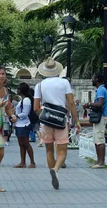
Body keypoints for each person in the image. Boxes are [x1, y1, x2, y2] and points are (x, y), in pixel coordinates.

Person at [34, 57, 80, 190]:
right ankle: (56, 169)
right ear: (57, 70)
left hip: (46, 121)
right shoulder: (64, 83)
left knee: (49, 150)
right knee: (62, 151)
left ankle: (52, 172)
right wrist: (76, 121)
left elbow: (36, 108)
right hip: (61, 120)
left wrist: (43, 116)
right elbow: (71, 103)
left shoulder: (40, 85)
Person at [83, 73, 107, 169]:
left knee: (99, 139)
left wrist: (89, 104)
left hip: (101, 116)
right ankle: (98, 161)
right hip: (99, 117)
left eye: (93, 78)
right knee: (96, 139)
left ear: (97, 79)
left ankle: (101, 162)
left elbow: (100, 103)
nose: (91, 80)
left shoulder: (101, 90)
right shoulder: (100, 89)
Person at [14, 82, 36, 168]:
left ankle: (32, 162)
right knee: (21, 144)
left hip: (24, 124)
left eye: (18, 89)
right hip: (19, 124)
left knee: (26, 143)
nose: (17, 91)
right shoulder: (22, 100)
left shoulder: (26, 100)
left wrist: (16, 116)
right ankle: (22, 162)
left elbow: (25, 113)